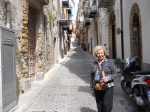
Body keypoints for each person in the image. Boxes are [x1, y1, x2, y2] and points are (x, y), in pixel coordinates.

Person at [90, 45, 118, 112]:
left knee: (106, 106)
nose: (100, 55)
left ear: (104, 53)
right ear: (96, 54)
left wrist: (108, 78)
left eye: (101, 53)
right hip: (97, 87)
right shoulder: (94, 64)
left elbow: (115, 73)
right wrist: (92, 89)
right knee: (99, 105)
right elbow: (91, 77)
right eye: (98, 53)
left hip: (108, 86)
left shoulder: (109, 62)